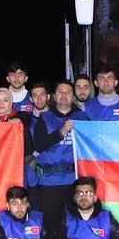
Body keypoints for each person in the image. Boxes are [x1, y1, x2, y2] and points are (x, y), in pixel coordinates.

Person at [29, 80, 88, 224]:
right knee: (51, 223)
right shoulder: (45, 118)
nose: (64, 95)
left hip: (74, 180)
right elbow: (39, 145)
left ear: (73, 96)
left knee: (74, 222)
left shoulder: (82, 117)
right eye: (60, 92)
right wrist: (62, 132)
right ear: (54, 96)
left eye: (68, 92)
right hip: (50, 181)